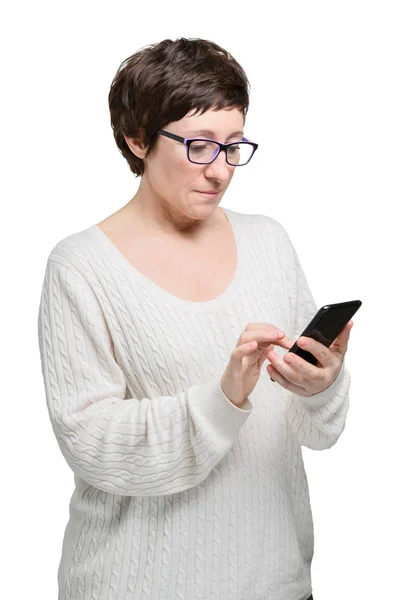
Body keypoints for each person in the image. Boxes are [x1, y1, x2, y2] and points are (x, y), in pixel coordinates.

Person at [37, 37, 352, 600]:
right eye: (200, 146)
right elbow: (89, 442)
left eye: (234, 146)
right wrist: (223, 399)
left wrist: (320, 388)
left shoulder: (269, 242)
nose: (221, 171)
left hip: (276, 582)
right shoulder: (81, 267)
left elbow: (315, 432)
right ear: (138, 139)